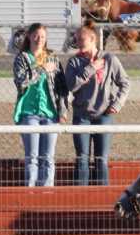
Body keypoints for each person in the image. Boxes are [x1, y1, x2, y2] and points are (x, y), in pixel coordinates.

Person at [64, 24, 130, 186]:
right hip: (82, 116)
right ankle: (80, 195)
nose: (78, 42)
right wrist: (90, 69)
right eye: (76, 39)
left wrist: (117, 104)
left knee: (101, 159)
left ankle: (102, 195)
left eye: (82, 39)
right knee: (82, 158)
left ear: (93, 39)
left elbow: (125, 83)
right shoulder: (74, 62)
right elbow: (71, 86)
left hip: (104, 115)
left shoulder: (109, 59)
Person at [12, 23, 68, 188]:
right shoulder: (22, 58)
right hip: (29, 113)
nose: (39, 39)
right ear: (29, 36)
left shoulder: (53, 58)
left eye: (42, 36)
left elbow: (62, 88)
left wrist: (63, 110)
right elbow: (21, 82)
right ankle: (30, 190)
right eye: (36, 35)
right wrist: (41, 69)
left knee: (48, 157)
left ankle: (46, 192)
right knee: (32, 156)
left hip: (50, 113)